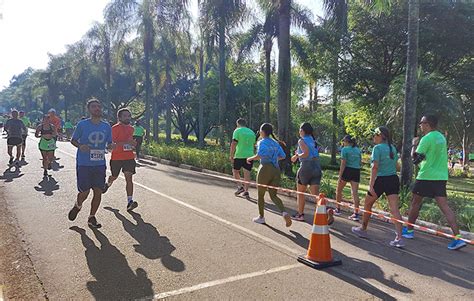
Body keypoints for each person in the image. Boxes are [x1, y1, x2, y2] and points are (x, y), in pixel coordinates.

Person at [403, 115, 466, 250]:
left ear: (428, 124)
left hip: (426, 175)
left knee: (415, 202)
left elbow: (416, 159)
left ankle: (408, 231)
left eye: (422, 123)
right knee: (445, 207)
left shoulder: (426, 138)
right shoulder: (441, 137)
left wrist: (414, 144)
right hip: (441, 177)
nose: (420, 125)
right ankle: (458, 238)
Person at [352, 126, 405, 248]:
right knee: (394, 209)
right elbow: (397, 166)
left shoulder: (377, 148)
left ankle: (363, 229)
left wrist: (371, 186)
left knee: (367, 203)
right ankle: (400, 238)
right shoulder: (392, 148)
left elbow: (374, 167)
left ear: (381, 136)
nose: (373, 137)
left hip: (381, 180)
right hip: (393, 179)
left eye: (375, 135)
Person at [68, 99, 113, 229]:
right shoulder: (82, 124)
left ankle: (91, 217)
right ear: (89, 109)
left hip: (99, 164)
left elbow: (109, 143)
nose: (97, 108)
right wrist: (80, 146)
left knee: (98, 191)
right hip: (84, 164)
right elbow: (73, 140)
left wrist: (111, 146)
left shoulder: (106, 126)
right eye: (94, 106)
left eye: (99, 106)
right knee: (85, 192)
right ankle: (78, 205)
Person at [247, 123, 292, 227]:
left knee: (260, 195)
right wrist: (274, 158)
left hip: (265, 169)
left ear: (262, 132)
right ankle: (284, 213)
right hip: (276, 170)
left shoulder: (261, 142)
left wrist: (250, 158)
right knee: (273, 195)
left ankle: (261, 217)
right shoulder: (276, 143)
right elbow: (283, 156)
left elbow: (260, 155)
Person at [103, 108, 138, 211]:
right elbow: (111, 145)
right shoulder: (114, 128)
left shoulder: (131, 129)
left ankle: (129, 202)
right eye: (125, 116)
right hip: (117, 157)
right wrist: (126, 143)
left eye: (129, 116)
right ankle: (108, 184)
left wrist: (133, 145)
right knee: (114, 176)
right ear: (119, 118)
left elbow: (131, 142)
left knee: (129, 178)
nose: (127, 118)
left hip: (129, 157)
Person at [290, 122, 326, 223]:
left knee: (300, 193)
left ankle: (300, 214)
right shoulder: (313, 140)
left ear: (302, 131)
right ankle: (323, 214)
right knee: (316, 195)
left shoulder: (301, 140)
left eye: (299, 130)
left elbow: (306, 154)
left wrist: (296, 156)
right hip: (317, 167)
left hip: (306, 168)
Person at [335, 135, 362, 221]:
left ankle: (338, 209)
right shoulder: (358, 150)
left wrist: (340, 176)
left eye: (343, 141)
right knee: (355, 192)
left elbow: (343, 163)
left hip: (348, 170)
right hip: (356, 171)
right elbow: (360, 162)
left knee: (339, 189)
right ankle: (356, 213)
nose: (343, 143)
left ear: (346, 141)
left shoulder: (344, 149)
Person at [230, 118, 256, 199]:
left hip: (240, 154)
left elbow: (234, 143)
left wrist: (231, 155)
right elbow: (254, 144)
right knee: (247, 173)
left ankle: (240, 186)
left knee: (235, 171)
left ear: (238, 124)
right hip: (250, 155)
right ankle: (246, 191)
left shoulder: (237, 131)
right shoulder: (251, 132)